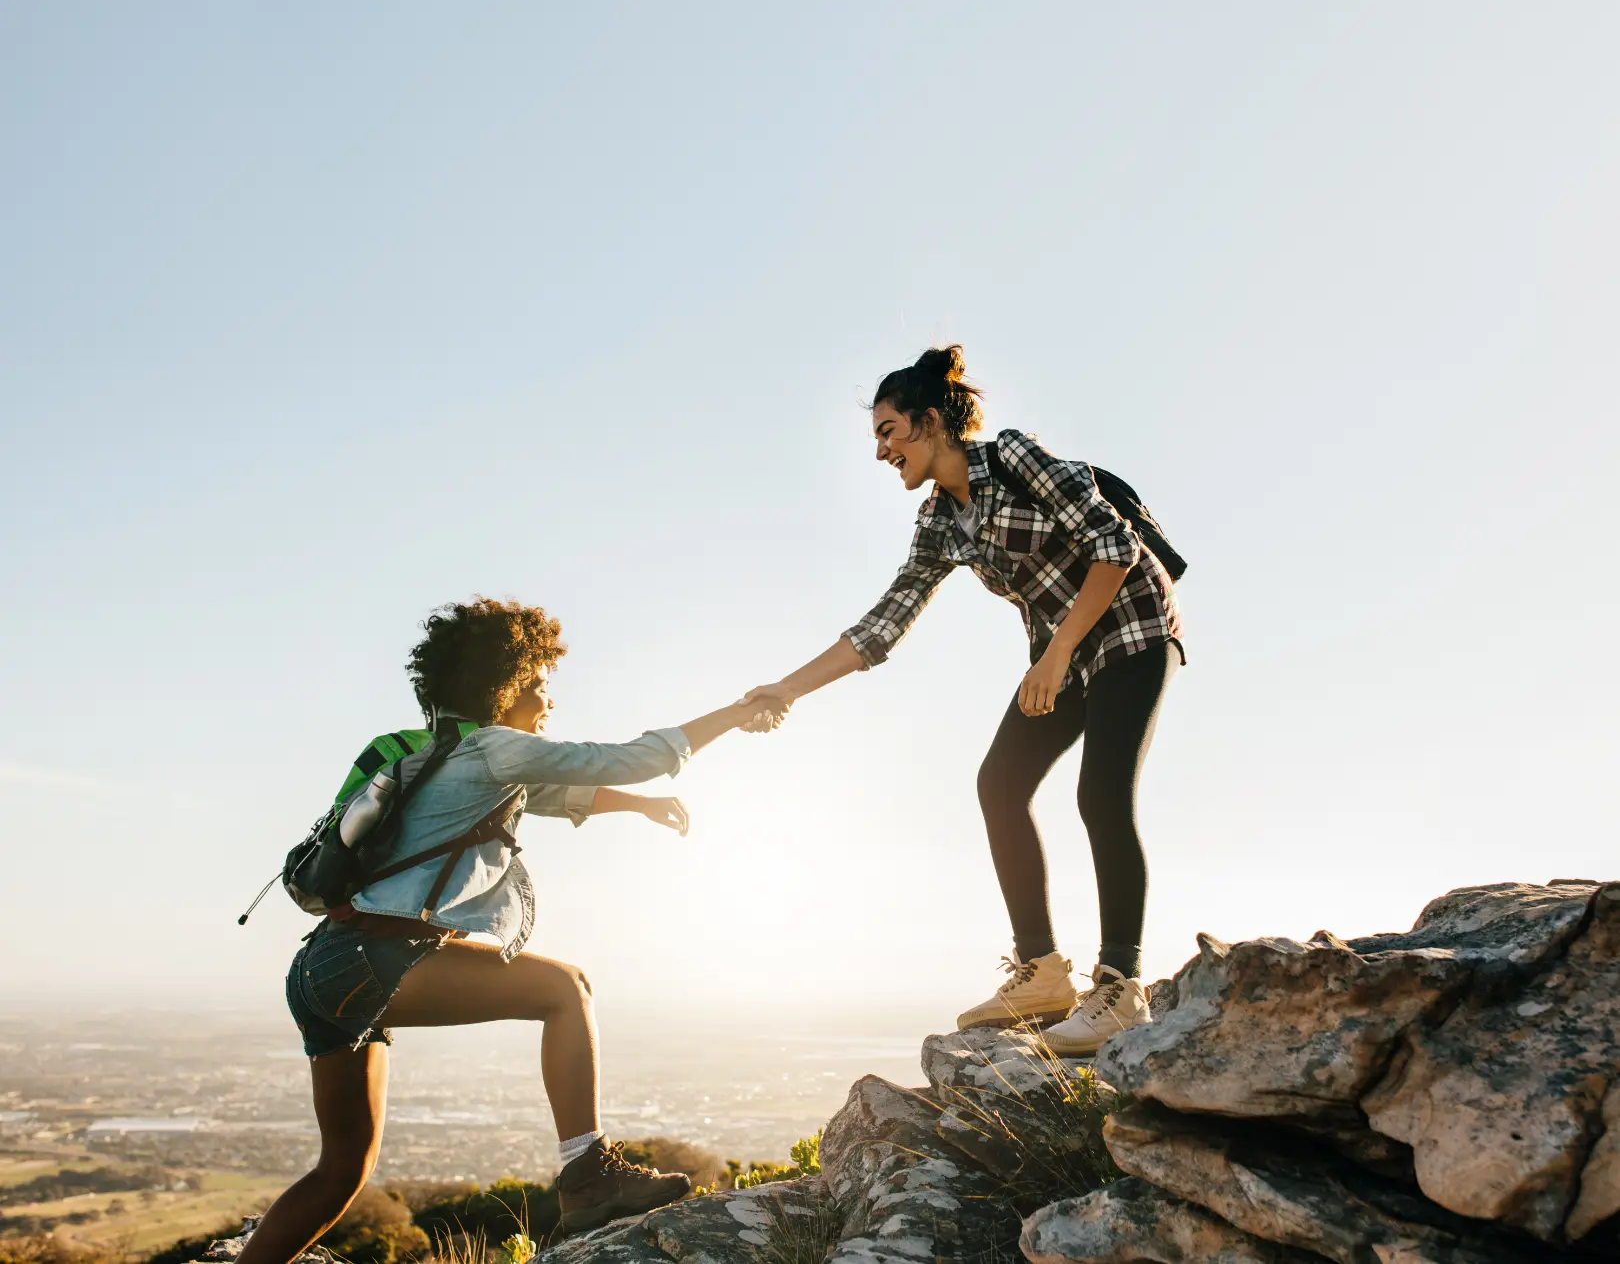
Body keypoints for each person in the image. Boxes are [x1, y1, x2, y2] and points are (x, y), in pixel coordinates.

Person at [241, 597, 782, 1263]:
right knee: (565, 989)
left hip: (323, 972)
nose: (549, 699)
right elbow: (627, 758)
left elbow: (565, 794)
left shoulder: (437, 758)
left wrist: (640, 807)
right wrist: (734, 713)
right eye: (540, 683)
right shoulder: (495, 750)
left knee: (341, 1171)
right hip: (375, 961)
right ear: (506, 683)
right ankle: (588, 1174)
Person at [743, 347, 1181, 1056]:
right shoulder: (940, 523)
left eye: (888, 431)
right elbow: (882, 626)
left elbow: (1115, 544)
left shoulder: (1013, 457)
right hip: (1061, 656)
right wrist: (785, 689)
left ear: (930, 421)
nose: (881, 449)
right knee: (999, 784)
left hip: (1130, 627)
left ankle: (1120, 986)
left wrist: (1059, 651)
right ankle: (1041, 972)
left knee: (1100, 795)